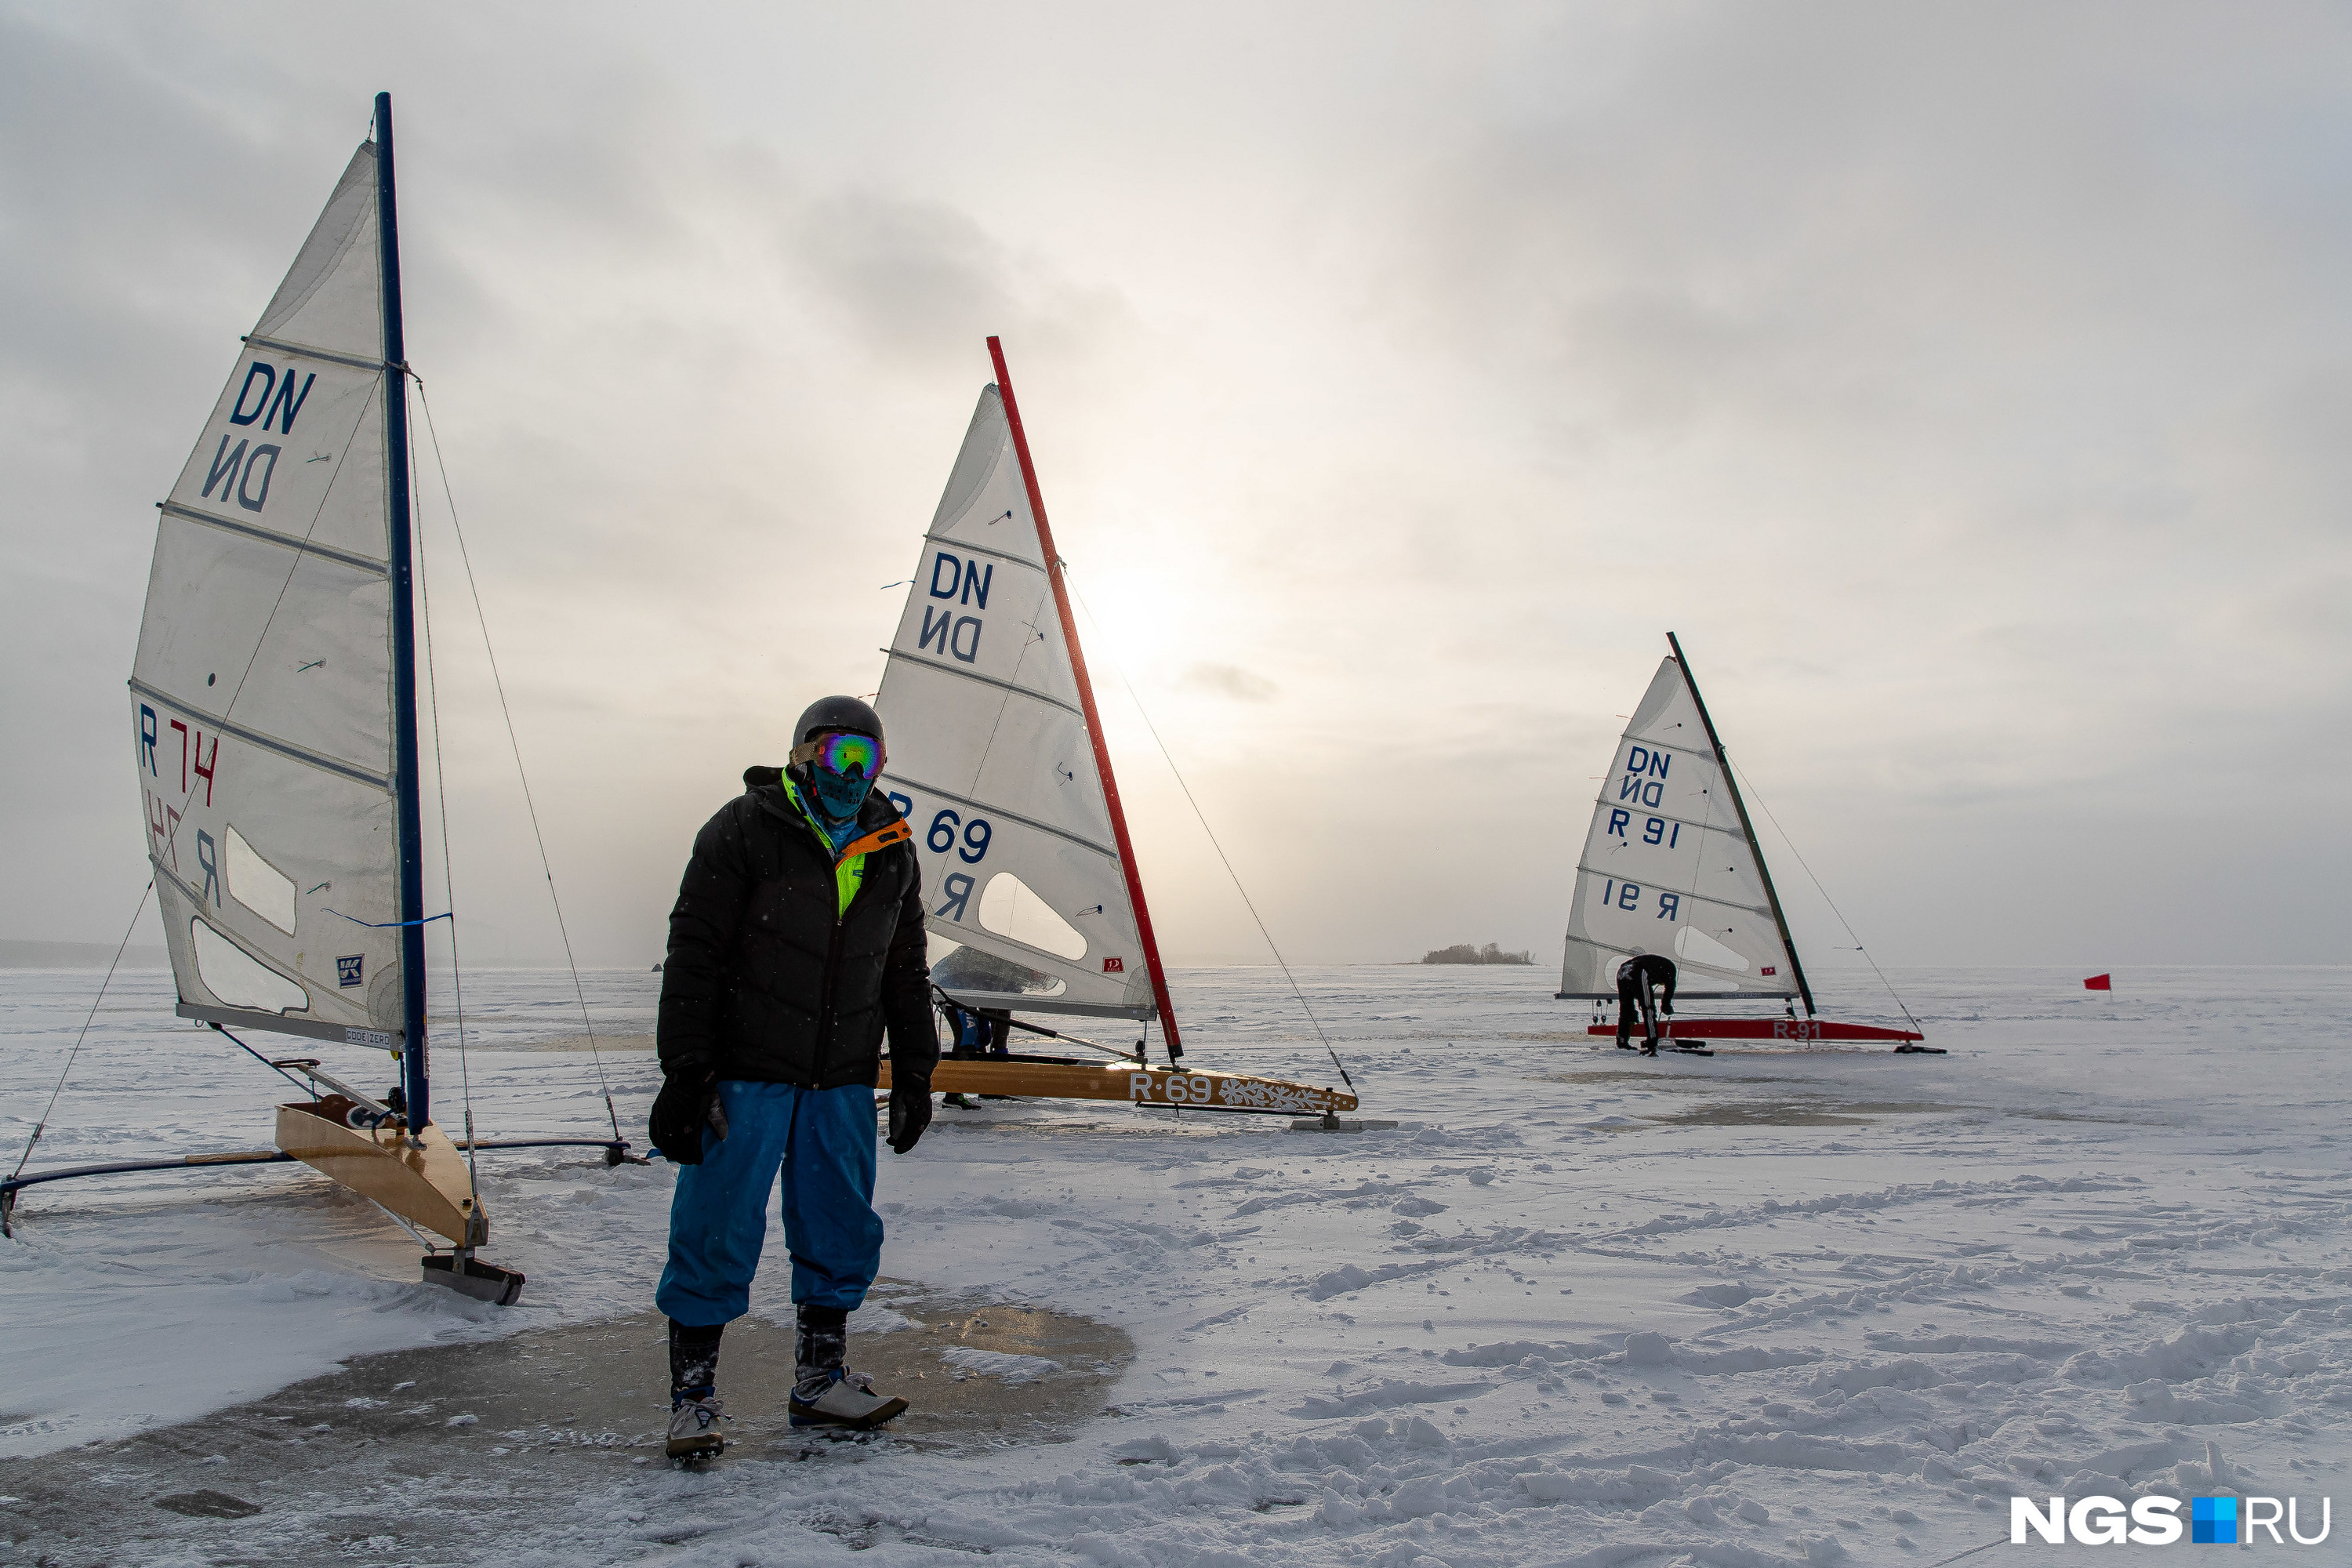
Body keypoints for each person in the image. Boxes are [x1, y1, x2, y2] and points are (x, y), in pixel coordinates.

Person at [648, 696, 938, 1457]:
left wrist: (914, 1071)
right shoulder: (743, 828)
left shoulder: (891, 848)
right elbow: (695, 950)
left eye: (869, 761)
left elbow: (905, 972)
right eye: (842, 755)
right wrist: (686, 1071)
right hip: (746, 1072)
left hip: (840, 1078)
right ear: (805, 753)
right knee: (715, 1225)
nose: (855, 774)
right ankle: (694, 1396)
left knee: (840, 1226)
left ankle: (818, 1380)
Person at [1615, 953, 1678, 1056]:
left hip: (1623, 970)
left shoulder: (1660, 966)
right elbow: (1670, 989)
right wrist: (1666, 1005)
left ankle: (1622, 1041)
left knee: (1626, 1008)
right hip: (1638, 970)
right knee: (1648, 1008)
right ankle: (1652, 1043)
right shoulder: (1670, 969)